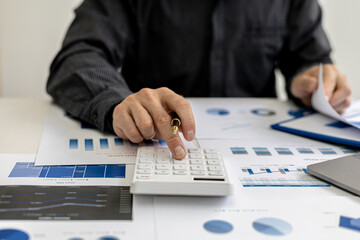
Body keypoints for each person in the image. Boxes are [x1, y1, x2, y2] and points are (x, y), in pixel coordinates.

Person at [47, 0, 351, 160]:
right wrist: (116, 102)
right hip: (149, 148)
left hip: (261, 153)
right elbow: (79, 55)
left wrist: (313, 81)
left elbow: (311, 59)